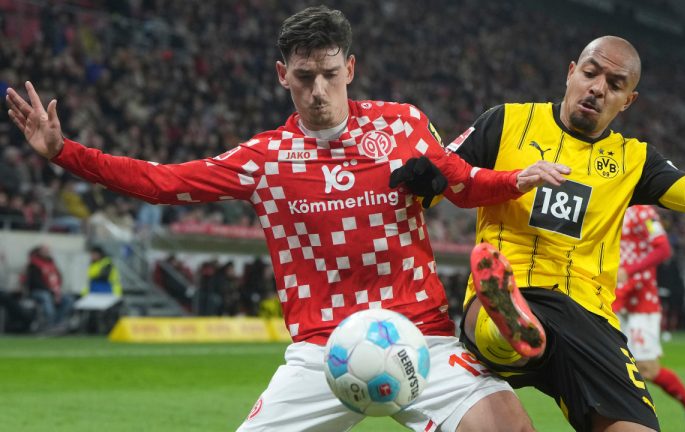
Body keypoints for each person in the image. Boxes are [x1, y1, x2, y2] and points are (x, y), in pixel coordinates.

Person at [6, 6, 570, 431]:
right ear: (283, 75)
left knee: (511, 425)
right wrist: (64, 153)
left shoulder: (404, 126)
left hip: (418, 335)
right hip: (322, 353)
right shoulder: (265, 160)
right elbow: (164, 183)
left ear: (350, 67)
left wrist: (515, 179)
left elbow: (464, 184)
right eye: (304, 77)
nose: (319, 89)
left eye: (329, 72)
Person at [445, 35, 685, 431]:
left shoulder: (634, 159)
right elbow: (444, 175)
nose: (598, 88)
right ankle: (510, 328)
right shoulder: (507, 122)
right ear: (571, 73)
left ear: (628, 101)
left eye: (615, 84)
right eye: (590, 73)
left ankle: (516, 332)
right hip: (516, 284)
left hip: (588, 317)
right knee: (499, 327)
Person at [614, 205, 685, 432]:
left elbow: (663, 249)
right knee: (609, 364)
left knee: (646, 369)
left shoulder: (644, 213)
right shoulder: (610, 203)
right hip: (613, 295)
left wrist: (630, 270)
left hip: (641, 300)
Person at [24, 244, 74, 331]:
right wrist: (51, 292)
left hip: (53, 292)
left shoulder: (52, 263)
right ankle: (50, 323)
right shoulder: (34, 264)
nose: (47, 252)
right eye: (45, 251)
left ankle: (57, 322)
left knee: (68, 300)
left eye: (48, 251)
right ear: (40, 252)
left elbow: (59, 278)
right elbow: (35, 282)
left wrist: (56, 292)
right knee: (46, 297)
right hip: (37, 291)